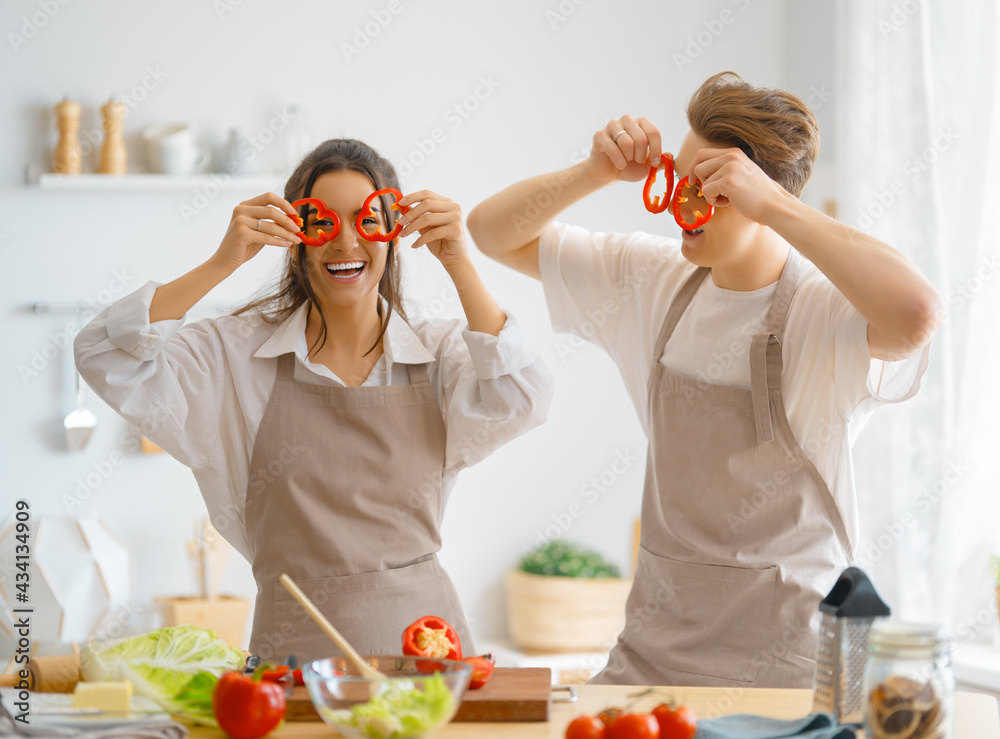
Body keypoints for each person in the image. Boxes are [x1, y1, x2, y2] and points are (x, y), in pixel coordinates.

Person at [467, 72, 941, 688]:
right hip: (651, 656)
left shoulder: (827, 313)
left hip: (788, 670)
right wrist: (595, 171)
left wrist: (775, 205)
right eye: (678, 183)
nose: (679, 207)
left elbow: (917, 313)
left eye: (710, 190)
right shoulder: (650, 278)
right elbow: (490, 232)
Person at [75, 138, 553, 662]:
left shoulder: (441, 354)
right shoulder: (233, 356)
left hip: (429, 655)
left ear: (395, 231)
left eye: (367, 220)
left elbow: (522, 396)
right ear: (294, 237)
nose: (346, 243)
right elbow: (103, 352)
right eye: (321, 223)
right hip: (292, 664)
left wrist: (459, 262)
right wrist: (222, 262)